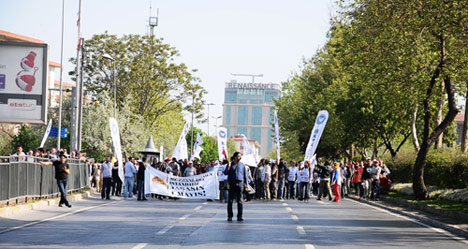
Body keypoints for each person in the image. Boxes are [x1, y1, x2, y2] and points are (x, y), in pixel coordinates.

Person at [224, 152, 247, 222]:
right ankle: (230, 216)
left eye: (240, 156)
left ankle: (240, 216)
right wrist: (228, 167)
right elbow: (225, 173)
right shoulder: (230, 164)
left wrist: (247, 184)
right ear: (235, 157)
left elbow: (245, 175)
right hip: (232, 183)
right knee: (230, 200)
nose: (240, 158)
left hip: (240, 183)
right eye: (238, 156)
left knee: (240, 200)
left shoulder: (242, 165)